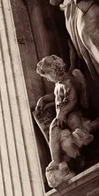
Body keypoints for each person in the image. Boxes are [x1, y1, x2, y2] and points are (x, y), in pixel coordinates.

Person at [36, 55, 93, 187]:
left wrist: (63, 112)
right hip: (63, 117)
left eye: (47, 76)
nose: (48, 80)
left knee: (73, 120)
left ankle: (81, 136)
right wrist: (43, 99)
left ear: (53, 71)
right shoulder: (59, 84)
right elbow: (55, 96)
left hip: (72, 112)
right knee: (54, 129)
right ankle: (56, 160)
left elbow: (73, 100)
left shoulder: (68, 82)